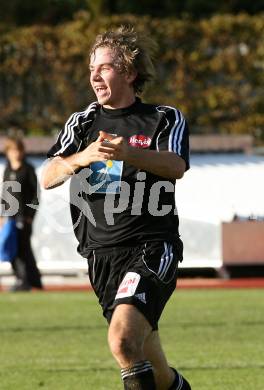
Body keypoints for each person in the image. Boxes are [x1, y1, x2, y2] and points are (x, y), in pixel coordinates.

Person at [42, 26, 191, 390]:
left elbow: (176, 166)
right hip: (101, 256)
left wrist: (129, 154)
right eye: (92, 68)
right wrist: (83, 157)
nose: (94, 75)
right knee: (154, 371)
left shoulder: (163, 117)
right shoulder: (84, 122)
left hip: (151, 248)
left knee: (122, 342)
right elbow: (48, 176)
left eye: (105, 67)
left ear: (129, 71)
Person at [0, 135, 42, 291]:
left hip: (24, 216)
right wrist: (2, 215)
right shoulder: (8, 170)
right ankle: (23, 279)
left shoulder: (28, 169)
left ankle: (28, 281)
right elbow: (5, 193)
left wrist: (30, 216)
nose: (15, 154)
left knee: (24, 249)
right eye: (12, 151)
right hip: (9, 217)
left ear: (22, 152)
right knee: (11, 248)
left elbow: (35, 195)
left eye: (18, 150)